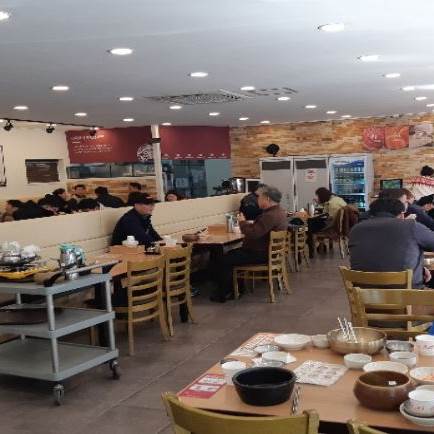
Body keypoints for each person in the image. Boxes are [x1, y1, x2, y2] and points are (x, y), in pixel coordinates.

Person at [210, 185, 288, 302]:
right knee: (231, 255)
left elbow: (253, 233)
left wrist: (242, 222)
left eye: (259, 197)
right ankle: (237, 289)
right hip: (267, 252)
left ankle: (225, 293)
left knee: (223, 260)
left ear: (267, 199)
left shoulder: (270, 215)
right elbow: (259, 229)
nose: (257, 200)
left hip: (259, 253)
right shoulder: (279, 212)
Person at [349, 198, 434, 288]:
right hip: (406, 293)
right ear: (401, 214)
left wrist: (420, 269)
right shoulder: (411, 226)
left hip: (363, 293)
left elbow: (377, 257)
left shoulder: (355, 229)